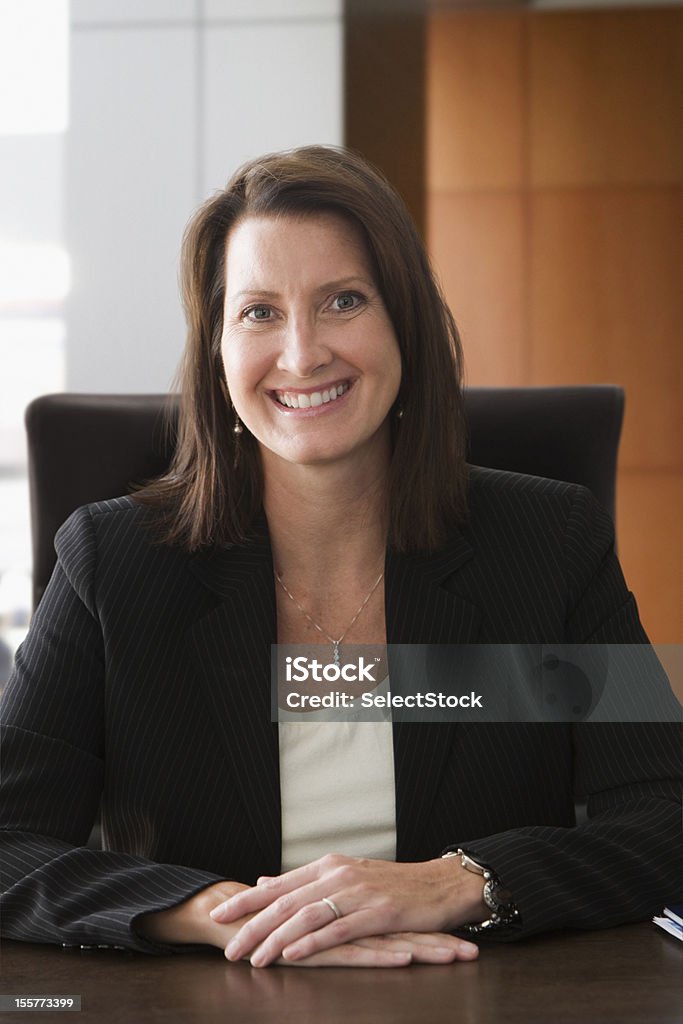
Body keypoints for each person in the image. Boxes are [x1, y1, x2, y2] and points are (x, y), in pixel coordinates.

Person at [1, 146, 681, 968]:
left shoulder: (546, 542)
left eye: (343, 301)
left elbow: (663, 810)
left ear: (407, 324)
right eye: (258, 312)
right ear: (216, 353)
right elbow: (9, 842)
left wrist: (459, 880)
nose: (301, 354)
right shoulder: (112, 561)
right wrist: (221, 912)